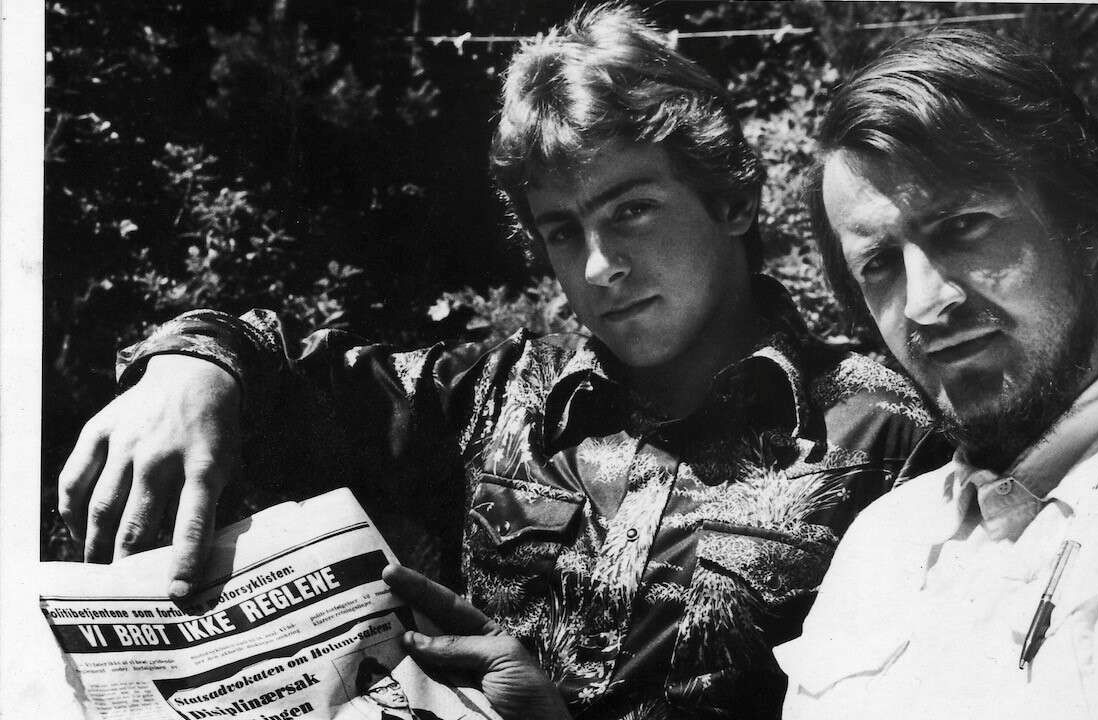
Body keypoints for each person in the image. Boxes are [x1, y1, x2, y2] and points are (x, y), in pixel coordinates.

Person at [58, 6, 947, 719]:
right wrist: (193, 367)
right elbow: (282, 370)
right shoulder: (493, 396)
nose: (599, 267)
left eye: (631, 210)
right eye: (563, 231)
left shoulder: (891, 440)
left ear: (733, 201)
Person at [774, 29, 1098, 720]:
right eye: (878, 265)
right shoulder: (880, 540)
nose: (925, 302)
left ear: (1085, 224)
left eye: (963, 227)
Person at [337, 657, 444, 720]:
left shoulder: (425, 714)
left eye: (393, 685)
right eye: (381, 690)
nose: (393, 692)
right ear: (369, 699)